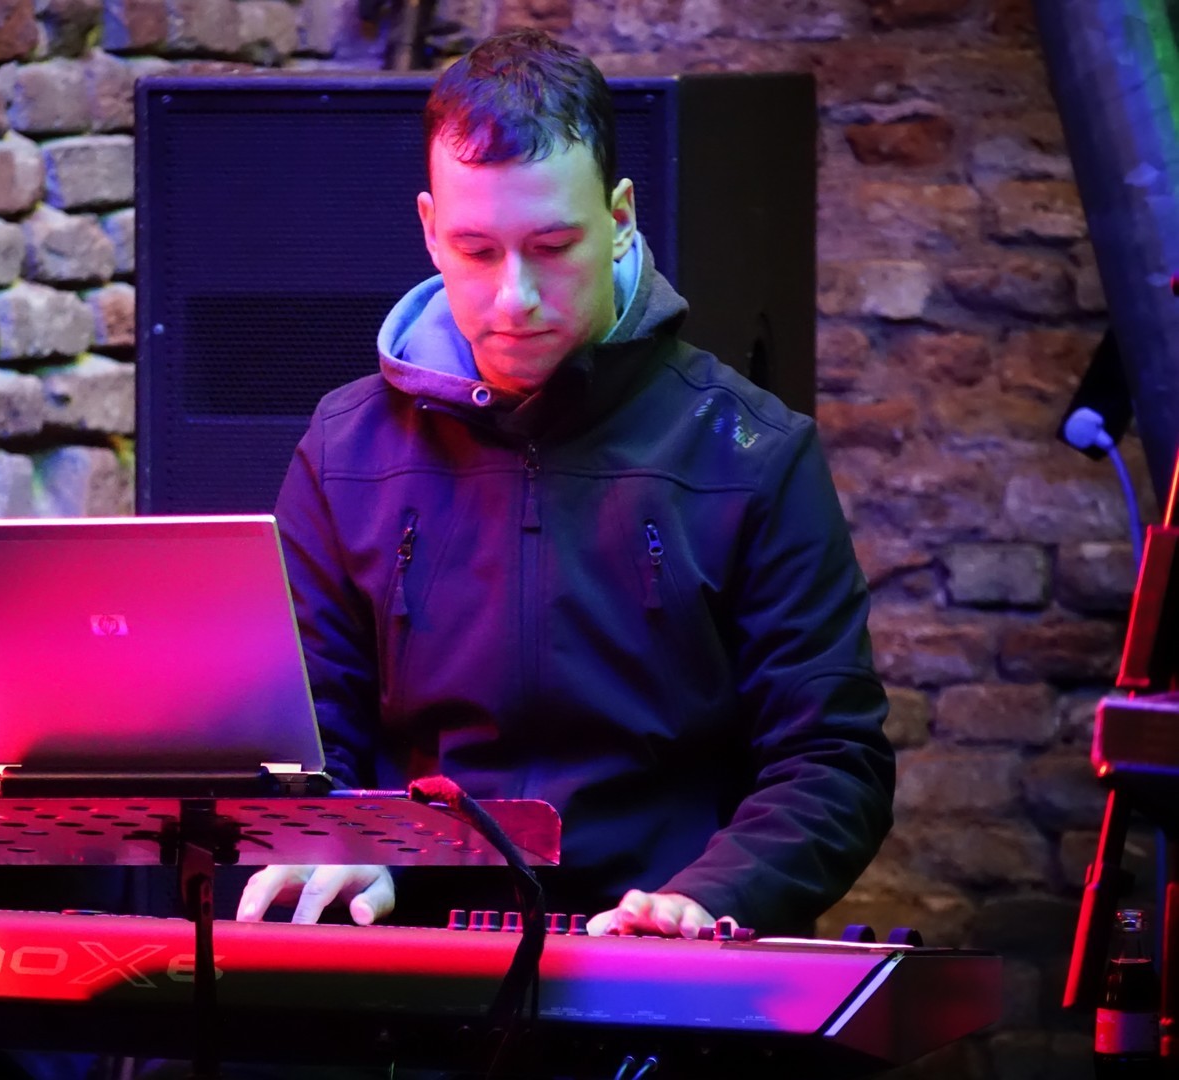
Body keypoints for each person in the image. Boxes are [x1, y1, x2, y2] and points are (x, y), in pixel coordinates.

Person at [234, 27, 896, 941]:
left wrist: (712, 896)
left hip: (661, 956)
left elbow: (831, 759)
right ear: (429, 229)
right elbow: (301, 737)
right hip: (408, 950)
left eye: (552, 246)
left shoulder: (754, 455)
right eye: (477, 251)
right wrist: (340, 835)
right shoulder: (344, 447)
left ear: (619, 216)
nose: (515, 297)